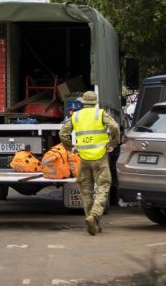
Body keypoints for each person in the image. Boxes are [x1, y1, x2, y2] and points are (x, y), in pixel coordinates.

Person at [59, 91, 120, 236]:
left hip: (84, 158)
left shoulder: (76, 115)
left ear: (83, 101)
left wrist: (71, 147)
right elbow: (115, 127)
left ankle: (92, 223)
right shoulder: (100, 114)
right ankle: (95, 216)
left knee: (86, 190)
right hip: (100, 157)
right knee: (103, 187)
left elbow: (63, 133)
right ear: (96, 101)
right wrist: (112, 142)